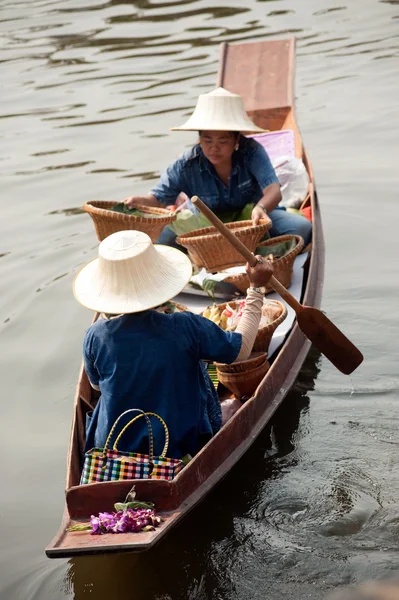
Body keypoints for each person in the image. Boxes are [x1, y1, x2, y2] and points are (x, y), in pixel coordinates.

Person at [73, 229, 274, 460]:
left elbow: (97, 388)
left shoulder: (95, 335)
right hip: (177, 447)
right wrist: (256, 289)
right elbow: (240, 350)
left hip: (113, 449)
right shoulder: (185, 326)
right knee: (216, 386)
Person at [123, 87, 312, 249]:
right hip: (206, 226)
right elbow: (158, 199)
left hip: (253, 220)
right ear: (199, 139)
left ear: (237, 140)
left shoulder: (252, 152)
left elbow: (274, 190)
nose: (214, 148)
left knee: (302, 228)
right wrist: (138, 201)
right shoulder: (186, 165)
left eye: (223, 141)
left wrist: (261, 208)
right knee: (160, 237)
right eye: (207, 140)